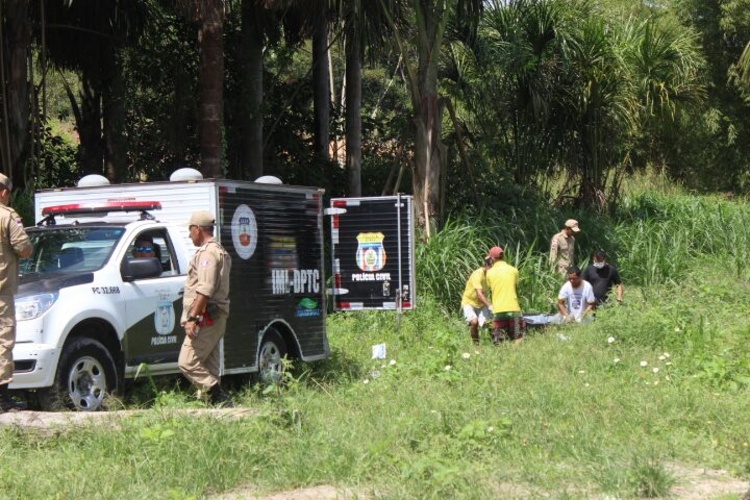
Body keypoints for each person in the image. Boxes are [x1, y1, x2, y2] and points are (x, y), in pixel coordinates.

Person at [178, 210, 233, 406]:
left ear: (198, 229)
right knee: (209, 368)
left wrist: (192, 319)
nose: (189, 234)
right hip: (214, 317)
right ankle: (216, 410)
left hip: (205, 318)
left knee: (187, 362)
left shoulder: (207, 254)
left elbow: (205, 290)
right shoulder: (218, 250)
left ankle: (219, 396)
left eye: (190, 229)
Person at [0, 173, 33, 412]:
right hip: (1, 292)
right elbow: (23, 249)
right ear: (4, 192)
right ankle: (2, 398)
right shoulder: (7, 216)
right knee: (3, 341)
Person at [485, 245, 523, 344]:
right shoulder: (514, 270)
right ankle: (516, 354)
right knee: (518, 336)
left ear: (492, 258)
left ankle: (501, 355)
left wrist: (488, 264)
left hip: (498, 310)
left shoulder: (490, 273)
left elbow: (489, 286)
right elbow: (515, 286)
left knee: (499, 339)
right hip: (513, 308)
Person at [460, 256, 493, 344]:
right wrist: (490, 306)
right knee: (474, 322)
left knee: (490, 324)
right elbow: (479, 294)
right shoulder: (478, 274)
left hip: (481, 304)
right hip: (469, 302)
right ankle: (476, 346)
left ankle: (497, 345)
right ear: (486, 265)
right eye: (491, 268)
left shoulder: (491, 276)